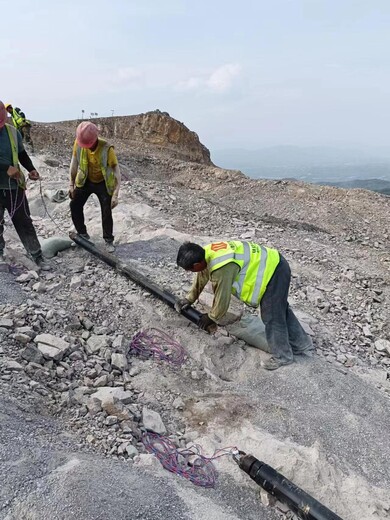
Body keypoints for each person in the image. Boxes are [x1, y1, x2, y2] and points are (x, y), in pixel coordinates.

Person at [175, 240, 313, 370]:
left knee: (272, 316)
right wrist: (189, 299)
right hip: (275, 263)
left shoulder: (221, 268)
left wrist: (211, 317)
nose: (189, 272)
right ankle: (301, 344)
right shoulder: (206, 253)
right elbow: (202, 276)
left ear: (196, 264)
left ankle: (283, 356)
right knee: (280, 309)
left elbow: (222, 298)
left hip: (273, 271)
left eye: (189, 269)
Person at [0, 101, 47, 268]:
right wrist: (6, 167)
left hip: (13, 187)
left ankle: (36, 255)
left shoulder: (13, 132)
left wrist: (31, 169)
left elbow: (21, 153)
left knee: (24, 221)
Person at [69, 121, 120, 252]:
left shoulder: (107, 148)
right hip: (85, 179)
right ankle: (82, 234)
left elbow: (116, 170)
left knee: (106, 210)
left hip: (103, 182)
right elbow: (74, 163)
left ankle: (108, 240)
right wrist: (71, 184)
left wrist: (115, 194)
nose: (87, 147)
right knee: (75, 204)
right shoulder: (79, 143)